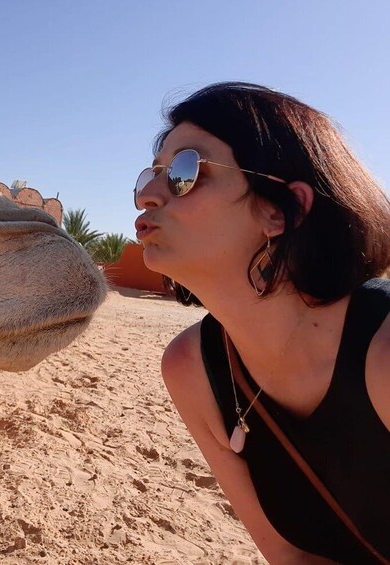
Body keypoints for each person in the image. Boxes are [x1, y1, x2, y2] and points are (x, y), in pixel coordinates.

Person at [133, 82, 390, 563]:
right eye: (150, 175)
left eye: (185, 172)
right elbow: (291, 557)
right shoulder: (191, 369)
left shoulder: (382, 351)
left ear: (281, 210)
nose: (146, 196)